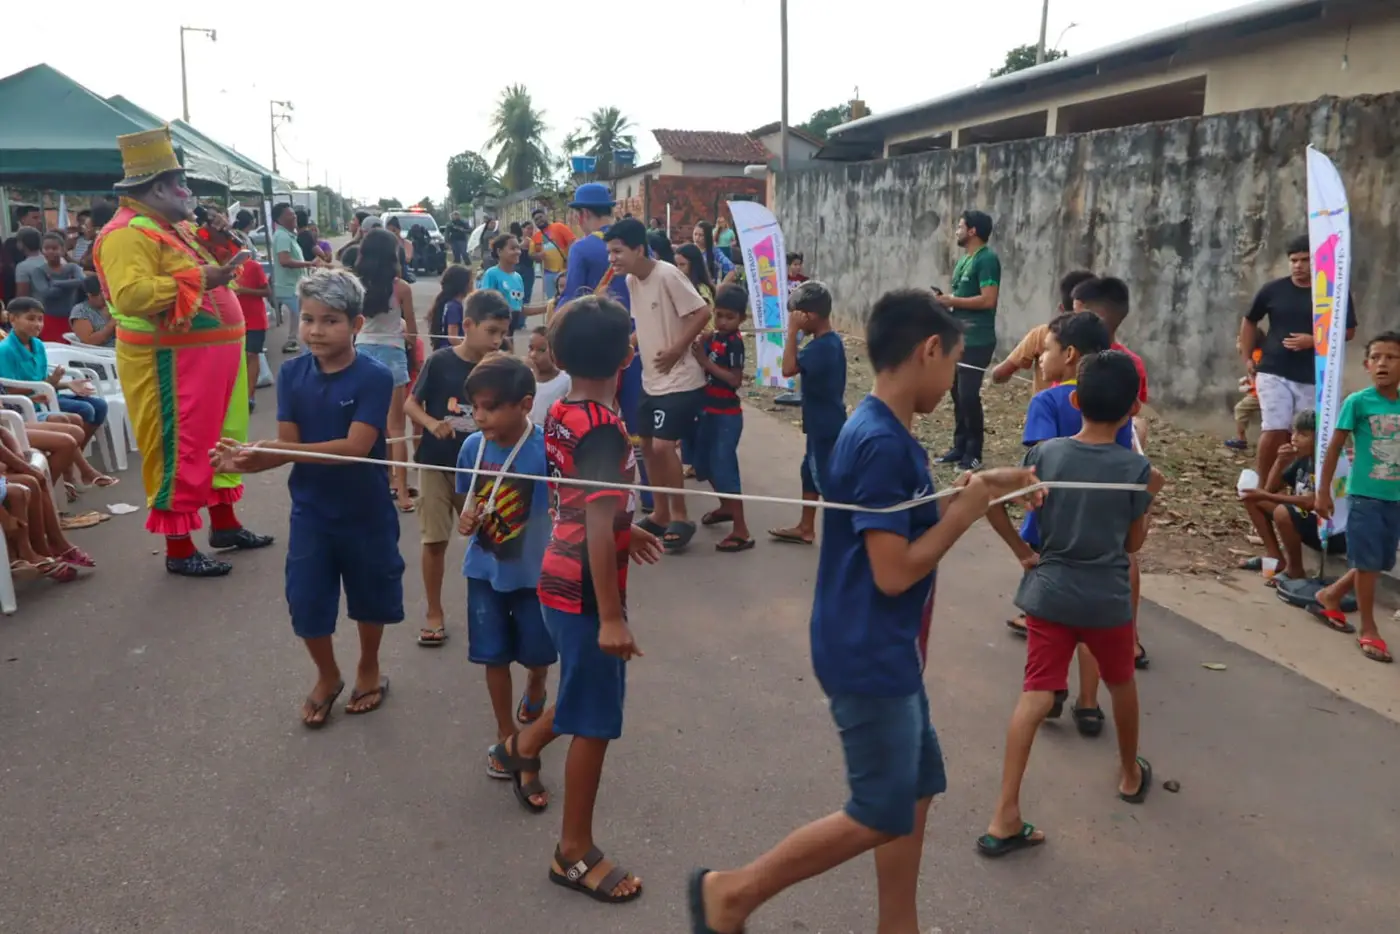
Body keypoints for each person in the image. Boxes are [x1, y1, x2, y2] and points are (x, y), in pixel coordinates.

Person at [690, 289, 1037, 934]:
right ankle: (731, 894)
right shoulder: (881, 443)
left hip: (879, 643)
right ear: (929, 350)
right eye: (953, 362)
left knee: (917, 785)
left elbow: (905, 520)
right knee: (880, 809)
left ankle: (896, 924)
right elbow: (894, 571)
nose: (953, 380)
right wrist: (964, 514)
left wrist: (985, 487)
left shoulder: (884, 431)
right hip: (868, 649)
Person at [489, 295, 662, 903]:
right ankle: (573, 852)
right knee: (594, 720)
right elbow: (596, 518)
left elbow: (586, 503)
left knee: (585, 693)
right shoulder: (606, 429)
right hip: (587, 589)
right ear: (629, 355)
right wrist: (611, 617)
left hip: (557, 569)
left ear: (558, 359)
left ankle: (520, 746)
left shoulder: (562, 409)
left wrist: (626, 528)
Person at [977, 349, 1163, 859]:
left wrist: (1023, 552)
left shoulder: (1046, 455)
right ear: (1133, 410)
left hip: (1050, 592)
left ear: (1075, 400)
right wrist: (1147, 498)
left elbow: (991, 503)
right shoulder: (1135, 468)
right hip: (1106, 598)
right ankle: (1129, 773)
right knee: (1120, 683)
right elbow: (1132, 545)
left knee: (1035, 695)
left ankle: (1004, 813)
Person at [213, 268, 401, 724]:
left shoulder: (374, 377)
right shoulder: (293, 373)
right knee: (306, 598)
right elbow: (289, 444)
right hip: (312, 511)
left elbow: (355, 449)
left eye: (330, 320)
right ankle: (327, 674)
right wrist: (251, 461)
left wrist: (271, 452)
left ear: (356, 324)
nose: (316, 330)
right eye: (309, 319)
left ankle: (369, 666)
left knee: (371, 595)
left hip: (366, 510)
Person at [93, 129, 272, 575]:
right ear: (155, 189)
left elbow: (227, 264)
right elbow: (130, 296)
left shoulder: (177, 228)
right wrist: (199, 279)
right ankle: (178, 549)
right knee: (181, 447)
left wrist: (220, 236)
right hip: (172, 363)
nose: (187, 192)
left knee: (223, 440)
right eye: (179, 184)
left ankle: (225, 525)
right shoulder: (124, 234)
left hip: (214, 357)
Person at [987, 313, 1131, 725]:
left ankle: (1048, 688)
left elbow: (1038, 464)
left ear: (1069, 354)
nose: (1041, 357)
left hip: (1050, 529)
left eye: (1046, 349)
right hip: (1102, 529)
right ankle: (1088, 702)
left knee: (1048, 617)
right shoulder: (1117, 410)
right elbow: (1121, 462)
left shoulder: (1047, 401)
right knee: (1092, 620)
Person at [455, 353, 556, 770]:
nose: (479, 417)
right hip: (483, 571)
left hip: (536, 576)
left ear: (526, 404)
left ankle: (536, 682)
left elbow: (566, 505)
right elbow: (466, 497)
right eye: (475, 407)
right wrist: (465, 518)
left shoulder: (545, 450)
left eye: (491, 407)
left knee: (539, 652)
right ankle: (505, 733)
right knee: (492, 655)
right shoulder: (471, 447)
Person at [404, 290, 511, 645]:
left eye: (502, 333)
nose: (497, 340)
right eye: (491, 331)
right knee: (434, 540)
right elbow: (410, 405)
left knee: (491, 539)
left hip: (482, 470)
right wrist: (432, 423)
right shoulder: (440, 361)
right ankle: (434, 612)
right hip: (436, 464)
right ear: (467, 325)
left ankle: (496, 609)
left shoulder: (500, 368)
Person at [603, 218, 711, 552]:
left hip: (680, 379)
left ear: (639, 249)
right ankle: (661, 514)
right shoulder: (633, 280)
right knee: (646, 445)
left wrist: (677, 349)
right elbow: (644, 323)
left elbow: (702, 312)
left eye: (617, 251)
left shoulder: (667, 275)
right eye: (609, 253)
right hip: (651, 379)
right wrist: (626, 347)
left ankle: (681, 516)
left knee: (664, 447)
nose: (612, 259)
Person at [1240, 234, 1358, 480]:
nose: (1298, 265)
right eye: (1294, 260)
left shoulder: (1333, 292)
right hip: (1273, 370)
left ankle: (1290, 483)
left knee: (1302, 434)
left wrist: (1314, 340)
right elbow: (1250, 320)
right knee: (1274, 428)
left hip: (1313, 375)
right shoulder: (1273, 290)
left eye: (1305, 260)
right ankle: (1262, 485)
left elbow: (1348, 331)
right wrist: (1248, 357)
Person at [1313, 332, 1400, 663]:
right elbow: (1334, 447)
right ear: (1366, 365)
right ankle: (1369, 628)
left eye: (1391, 357)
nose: (1382, 364)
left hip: (1395, 498)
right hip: (1365, 497)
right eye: (1375, 358)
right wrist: (1323, 491)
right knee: (1367, 563)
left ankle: (1331, 595)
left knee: (1379, 562)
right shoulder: (1358, 402)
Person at [769, 281, 846, 546]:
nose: (795, 321)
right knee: (809, 474)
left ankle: (844, 539)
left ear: (810, 316)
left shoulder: (822, 348)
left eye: (798, 316)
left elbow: (787, 368)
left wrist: (792, 332)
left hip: (825, 426)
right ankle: (805, 527)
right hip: (821, 423)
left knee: (827, 483)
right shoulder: (828, 342)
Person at [353, 227, 419, 513]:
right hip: (392, 354)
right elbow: (412, 334)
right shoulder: (401, 288)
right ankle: (401, 491)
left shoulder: (355, 285)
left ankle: (370, 485)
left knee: (366, 425)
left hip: (362, 352)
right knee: (397, 429)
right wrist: (403, 330)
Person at [1238, 409, 1342, 584]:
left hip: (1331, 532)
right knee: (1252, 498)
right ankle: (1275, 558)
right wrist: (1279, 462)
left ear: (1320, 439)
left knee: (1282, 511)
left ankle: (1295, 570)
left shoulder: (1328, 464)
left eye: (1303, 435)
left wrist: (1267, 495)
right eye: (1294, 432)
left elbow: (1310, 502)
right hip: (1307, 521)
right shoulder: (1303, 459)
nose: (1294, 439)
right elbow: (1270, 490)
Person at [934, 209, 1001, 470]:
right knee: (956, 393)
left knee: (968, 395)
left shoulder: (987, 259)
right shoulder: (965, 260)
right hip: (960, 336)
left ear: (973, 231)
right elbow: (962, 297)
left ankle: (974, 452)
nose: (957, 231)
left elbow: (988, 299)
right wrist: (945, 302)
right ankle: (959, 446)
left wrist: (952, 300)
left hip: (978, 339)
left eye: (960, 226)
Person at [692, 283, 751, 552]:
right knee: (704, 464)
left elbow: (734, 380)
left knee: (725, 468)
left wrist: (706, 362)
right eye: (719, 315)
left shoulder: (735, 342)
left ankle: (741, 530)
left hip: (727, 415)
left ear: (742, 318)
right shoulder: (714, 337)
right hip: (709, 411)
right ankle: (726, 506)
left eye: (730, 317)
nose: (723, 321)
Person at [992, 269, 1096, 394]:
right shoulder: (1101, 338)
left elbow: (999, 374)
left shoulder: (1042, 333)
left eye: (1047, 349)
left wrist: (1000, 373)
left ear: (1061, 308)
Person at [16, 230, 87, 343]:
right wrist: (71, 283)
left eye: (54, 248)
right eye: (46, 248)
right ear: (42, 250)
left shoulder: (72, 267)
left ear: (63, 250)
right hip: (50, 319)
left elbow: (83, 281)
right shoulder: (39, 271)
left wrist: (55, 283)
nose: (50, 252)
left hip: (72, 319)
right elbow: (48, 293)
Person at [272, 201, 319, 353]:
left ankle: (292, 341)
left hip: (294, 286)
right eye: (289, 215)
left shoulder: (288, 235)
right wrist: (309, 263)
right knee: (307, 318)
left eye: (294, 214)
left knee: (297, 316)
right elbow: (284, 260)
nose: (294, 217)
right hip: (289, 287)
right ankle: (309, 353)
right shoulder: (283, 236)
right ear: (279, 219)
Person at [232, 250, 271, 412]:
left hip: (255, 320)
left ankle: (250, 396)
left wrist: (245, 291)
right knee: (238, 359)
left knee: (251, 355)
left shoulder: (253, 266)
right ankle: (238, 396)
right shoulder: (221, 268)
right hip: (233, 321)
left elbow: (267, 292)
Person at [481, 234, 526, 342]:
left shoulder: (518, 277)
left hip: (510, 334)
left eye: (518, 248)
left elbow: (519, 308)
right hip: (495, 334)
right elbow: (485, 304)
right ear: (499, 251)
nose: (518, 252)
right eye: (512, 248)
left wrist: (548, 306)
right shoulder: (492, 274)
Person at [530, 207, 576, 303]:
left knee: (568, 298)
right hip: (548, 273)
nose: (539, 220)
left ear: (546, 216)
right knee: (552, 301)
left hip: (564, 271)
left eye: (540, 217)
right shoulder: (535, 237)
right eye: (536, 220)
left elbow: (572, 241)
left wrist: (570, 260)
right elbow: (531, 255)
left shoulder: (558, 227)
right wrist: (538, 256)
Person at [527, 326, 570, 426]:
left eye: (541, 350)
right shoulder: (525, 378)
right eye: (531, 348)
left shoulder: (565, 381)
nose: (533, 355)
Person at [428, 264, 474, 351]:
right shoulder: (454, 307)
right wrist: (469, 350)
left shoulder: (453, 304)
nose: (472, 283)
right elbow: (453, 338)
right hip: (451, 351)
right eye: (470, 281)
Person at [1228, 346, 1264, 451]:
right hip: (1260, 392)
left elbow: (1257, 373)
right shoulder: (1256, 354)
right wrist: (1248, 382)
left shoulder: (1257, 354)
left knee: (1240, 409)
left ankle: (1241, 439)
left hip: (1260, 394)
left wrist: (1250, 384)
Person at [68, 276, 116, 348]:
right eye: (100, 295)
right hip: (98, 352)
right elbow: (89, 341)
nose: (105, 298)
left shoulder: (111, 306)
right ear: (89, 296)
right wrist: (112, 324)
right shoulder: (81, 311)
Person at [692, 220, 736, 286]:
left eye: (701, 235)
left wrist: (720, 287)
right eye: (695, 234)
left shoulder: (715, 252)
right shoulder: (690, 249)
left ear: (707, 236)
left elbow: (732, 270)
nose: (697, 238)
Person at [514, 221, 537, 308]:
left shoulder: (534, 241)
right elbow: (511, 251)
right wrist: (521, 245)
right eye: (528, 228)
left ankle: (524, 313)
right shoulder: (516, 240)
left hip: (529, 269)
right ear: (522, 229)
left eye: (532, 229)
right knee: (516, 293)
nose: (530, 231)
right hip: (517, 268)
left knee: (526, 293)